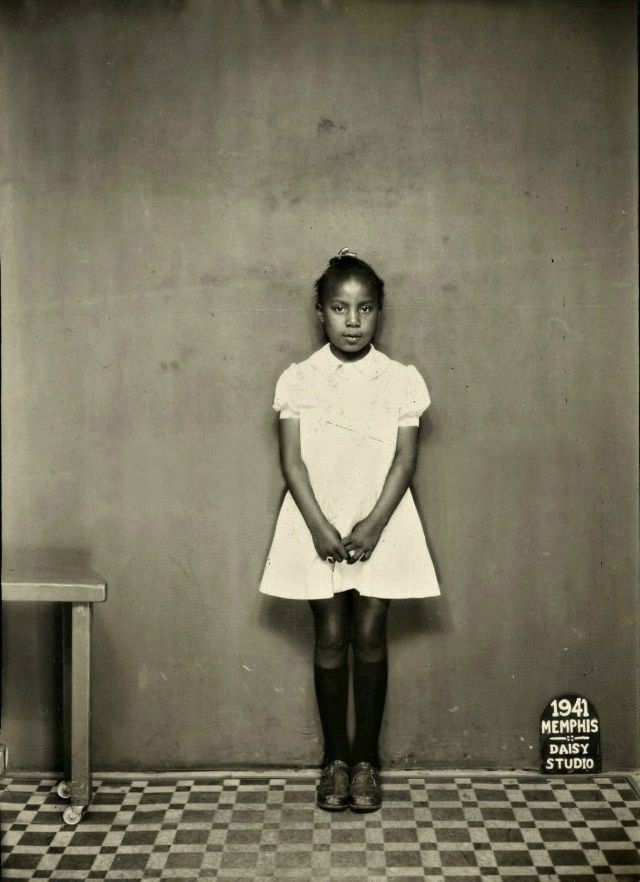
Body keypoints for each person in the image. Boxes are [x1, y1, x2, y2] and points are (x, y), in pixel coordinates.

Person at [259, 249, 440, 812]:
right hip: (317, 520)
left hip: (382, 520)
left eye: (365, 309)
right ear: (321, 312)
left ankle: (366, 762)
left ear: (379, 312)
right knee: (330, 637)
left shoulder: (401, 380)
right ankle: (334, 760)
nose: (353, 320)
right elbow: (292, 462)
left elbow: (405, 462)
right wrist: (318, 525)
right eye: (340, 308)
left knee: (370, 636)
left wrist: (374, 522)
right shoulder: (299, 379)